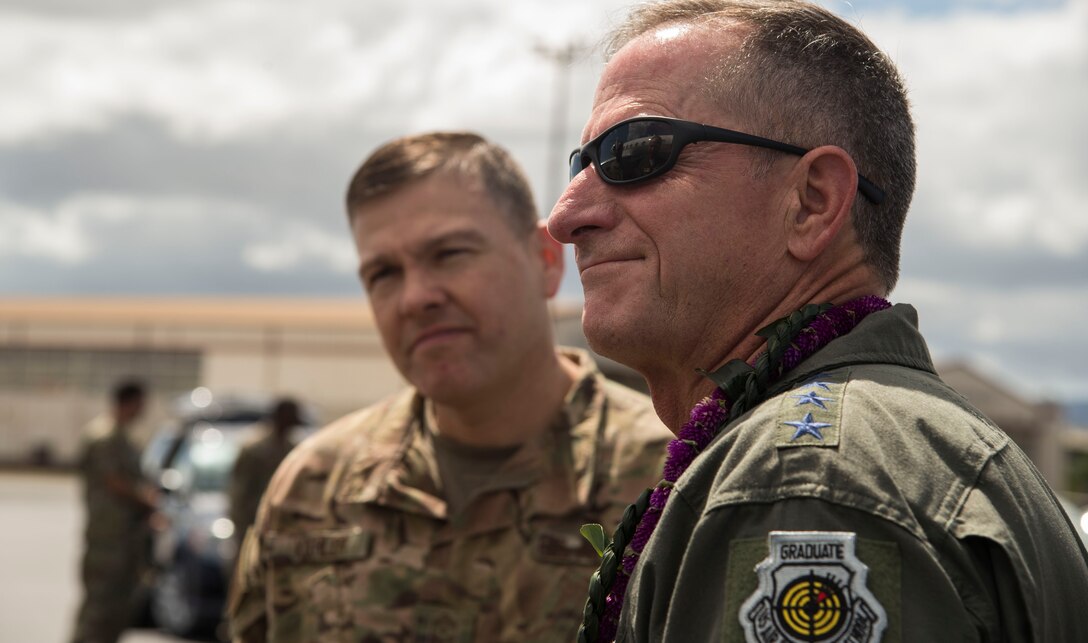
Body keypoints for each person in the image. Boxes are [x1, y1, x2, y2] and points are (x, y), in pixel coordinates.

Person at [547, 1, 1088, 642]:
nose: (565, 216)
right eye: (581, 164)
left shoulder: (804, 482)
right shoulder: (884, 444)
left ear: (812, 201)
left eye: (633, 153)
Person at [227, 131, 673, 642]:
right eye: (383, 273)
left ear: (545, 262)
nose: (415, 297)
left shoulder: (666, 484)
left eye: (450, 253)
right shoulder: (310, 488)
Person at [71, 379, 157, 643]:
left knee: (118, 611)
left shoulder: (123, 437)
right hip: (107, 539)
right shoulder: (104, 436)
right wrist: (146, 500)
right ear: (128, 402)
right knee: (99, 610)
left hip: (125, 538)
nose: (142, 410)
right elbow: (114, 481)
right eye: (140, 404)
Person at [228, 397, 303, 548]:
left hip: (281, 527)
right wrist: (242, 526)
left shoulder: (293, 450)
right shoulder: (255, 450)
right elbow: (240, 491)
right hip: (253, 524)